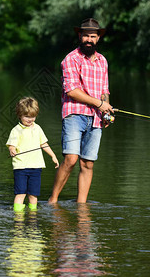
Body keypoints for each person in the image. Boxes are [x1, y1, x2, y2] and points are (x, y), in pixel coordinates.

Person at [48, 18, 113, 204]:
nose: (89, 40)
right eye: (86, 36)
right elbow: (71, 90)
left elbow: (104, 91)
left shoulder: (103, 61)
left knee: (88, 163)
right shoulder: (71, 59)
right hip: (74, 114)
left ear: (98, 38)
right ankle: (52, 201)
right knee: (70, 159)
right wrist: (99, 104)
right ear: (79, 36)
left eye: (93, 36)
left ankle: (81, 205)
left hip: (96, 119)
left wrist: (106, 112)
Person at [6, 97, 59, 212]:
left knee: (33, 195)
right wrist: (12, 149)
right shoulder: (16, 130)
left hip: (36, 167)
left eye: (33, 116)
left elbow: (44, 144)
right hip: (21, 167)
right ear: (19, 115)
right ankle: (18, 216)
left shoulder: (38, 128)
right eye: (27, 117)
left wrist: (53, 156)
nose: (30, 119)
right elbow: (11, 145)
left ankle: (32, 215)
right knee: (20, 193)